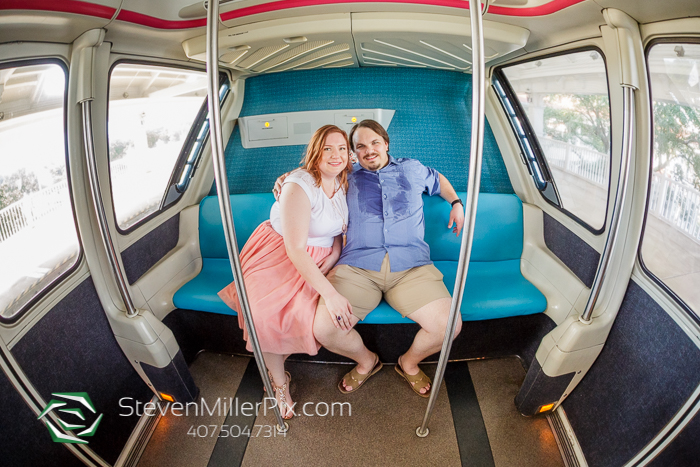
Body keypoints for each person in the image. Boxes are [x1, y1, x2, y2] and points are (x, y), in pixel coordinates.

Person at [311, 119, 465, 398]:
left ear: (386, 143)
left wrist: (456, 203)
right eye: (360, 147)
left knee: (450, 324)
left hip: (411, 268)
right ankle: (366, 361)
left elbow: (438, 180)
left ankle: (409, 362)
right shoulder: (345, 177)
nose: (368, 150)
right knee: (324, 329)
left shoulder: (413, 168)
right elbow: (312, 179)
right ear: (353, 154)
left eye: (374, 143)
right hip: (357, 268)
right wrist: (286, 181)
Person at [218, 125, 353, 419]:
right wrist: (329, 294)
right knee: (263, 313)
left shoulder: (344, 182)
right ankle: (280, 382)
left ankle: (277, 357)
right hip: (279, 251)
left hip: (318, 257)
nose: (336, 155)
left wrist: (334, 254)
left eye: (342, 148)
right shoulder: (299, 183)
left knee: (300, 313)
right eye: (328, 148)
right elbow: (294, 248)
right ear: (315, 152)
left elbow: (338, 229)